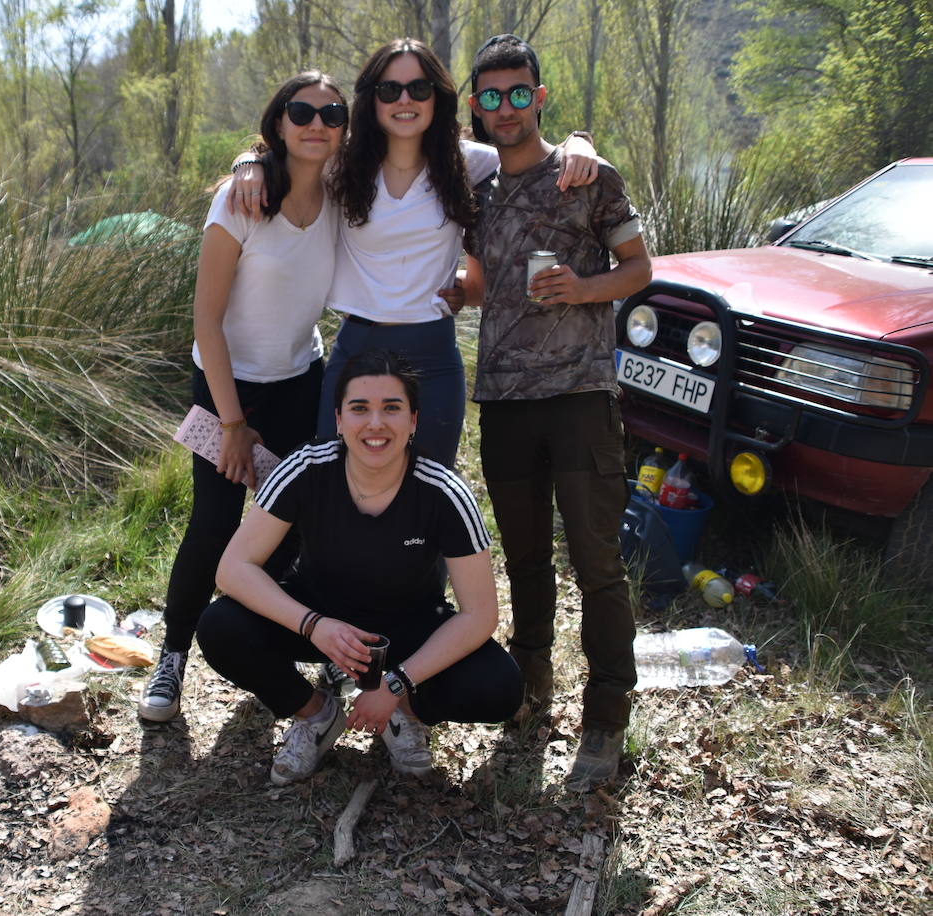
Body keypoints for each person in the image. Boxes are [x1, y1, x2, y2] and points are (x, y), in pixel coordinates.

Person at [229, 38, 599, 468]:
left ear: (437, 98)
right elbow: (286, 153)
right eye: (390, 90)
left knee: (425, 498)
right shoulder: (342, 165)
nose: (404, 100)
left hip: (433, 357)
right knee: (337, 488)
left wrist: (579, 141)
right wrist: (247, 162)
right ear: (372, 99)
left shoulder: (467, 163)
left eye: (418, 89)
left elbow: (536, 155)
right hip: (357, 350)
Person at [464, 34, 652, 790]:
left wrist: (585, 287)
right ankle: (531, 686)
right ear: (476, 105)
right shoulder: (473, 187)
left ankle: (606, 717)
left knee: (597, 561)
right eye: (491, 96)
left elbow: (639, 268)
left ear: (539, 97)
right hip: (504, 398)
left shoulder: (587, 174)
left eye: (518, 94)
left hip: (579, 393)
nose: (505, 108)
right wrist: (455, 290)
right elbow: (484, 281)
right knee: (524, 558)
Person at [197, 351, 522, 785]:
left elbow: (481, 614)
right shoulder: (305, 469)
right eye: (359, 408)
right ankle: (316, 714)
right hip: (320, 616)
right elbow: (233, 569)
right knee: (220, 626)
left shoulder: (444, 492)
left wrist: (398, 685)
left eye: (392, 408)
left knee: (499, 687)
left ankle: (404, 716)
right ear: (338, 419)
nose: (375, 424)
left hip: (407, 625)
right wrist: (314, 625)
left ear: (413, 421)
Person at [138, 71, 347, 723]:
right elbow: (205, 319)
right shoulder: (240, 197)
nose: (316, 122)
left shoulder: (346, 196)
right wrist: (232, 422)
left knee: (296, 523)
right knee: (213, 521)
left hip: (299, 381)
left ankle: (266, 635)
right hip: (226, 382)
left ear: (345, 129)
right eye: (301, 110)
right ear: (278, 122)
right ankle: (172, 655)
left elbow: (432, 152)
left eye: (332, 113)